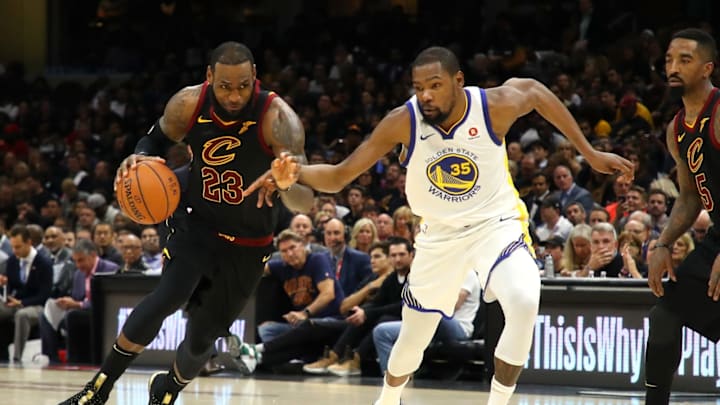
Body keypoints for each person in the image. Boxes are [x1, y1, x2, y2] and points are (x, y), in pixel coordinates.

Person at [262, 46, 633, 405]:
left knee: (523, 299)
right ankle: (389, 397)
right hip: (439, 235)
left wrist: (591, 152)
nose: (425, 95)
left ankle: (500, 402)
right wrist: (295, 173)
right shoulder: (403, 121)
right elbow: (341, 175)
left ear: (458, 80)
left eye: (435, 85)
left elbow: (535, 92)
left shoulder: (492, 106)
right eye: (419, 87)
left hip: (495, 223)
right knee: (412, 339)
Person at [60, 41, 313, 405]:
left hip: (249, 241)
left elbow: (306, 199)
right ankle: (98, 387)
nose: (234, 95)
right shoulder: (189, 103)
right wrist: (139, 156)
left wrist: (289, 183)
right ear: (209, 77)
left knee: (201, 337)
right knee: (168, 296)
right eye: (225, 86)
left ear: (255, 76)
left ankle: (167, 390)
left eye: (243, 85)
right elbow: (154, 139)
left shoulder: (278, 119)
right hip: (197, 221)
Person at [645, 28, 720, 405]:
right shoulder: (677, 129)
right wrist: (663, 243)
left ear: (708, 68)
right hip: (716, 239)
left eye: (684, 60)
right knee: (666, 314)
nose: (672, 68)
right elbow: (690, 197)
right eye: (669, 60)